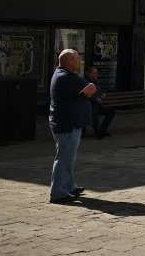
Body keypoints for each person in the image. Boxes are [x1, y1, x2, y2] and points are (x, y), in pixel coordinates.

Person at [48, 49, 96, 203]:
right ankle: (57, 193)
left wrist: (85, 92)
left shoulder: (62, 74)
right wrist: (86, 92)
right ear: (69, 61)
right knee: (63, 158)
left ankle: (69, 186)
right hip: (67, 124)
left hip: (68, 123)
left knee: (68, 158)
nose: (79, 62)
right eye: (77, 59)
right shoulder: (67, 77)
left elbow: (88, 89)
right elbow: (92, 87)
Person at [83, 67, 115, 139]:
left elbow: (99, 90)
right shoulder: (84, 82)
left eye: (97, 73)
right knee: (94, 112)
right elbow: (86, 94)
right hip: (88, 106)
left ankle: (102, 130)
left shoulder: (95, 81)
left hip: (97, 105)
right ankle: (98, 132)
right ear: (89, 74)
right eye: (95, 73)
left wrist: (102, 94)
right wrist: (96, 99)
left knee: (111, 111)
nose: (96, 75)